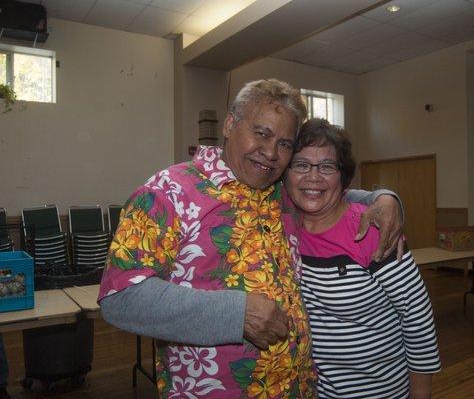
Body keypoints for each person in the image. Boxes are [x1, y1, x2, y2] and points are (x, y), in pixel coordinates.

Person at [98, 79, 405, 398]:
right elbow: (120, 297)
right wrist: (236, 314)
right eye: (262, 133)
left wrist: (383, 199)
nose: (271, 153)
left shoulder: (278, 193)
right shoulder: (168, 193)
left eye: (285, 144)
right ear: (230, 124)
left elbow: (327, 194)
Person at [284, 118, 441, 399]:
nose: (313, 176)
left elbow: (417, 318)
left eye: (327, 166)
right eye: (301, 164)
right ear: (286, 173)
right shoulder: (283, 227)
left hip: (381, 392)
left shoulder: (370, 229)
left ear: (343, 177)